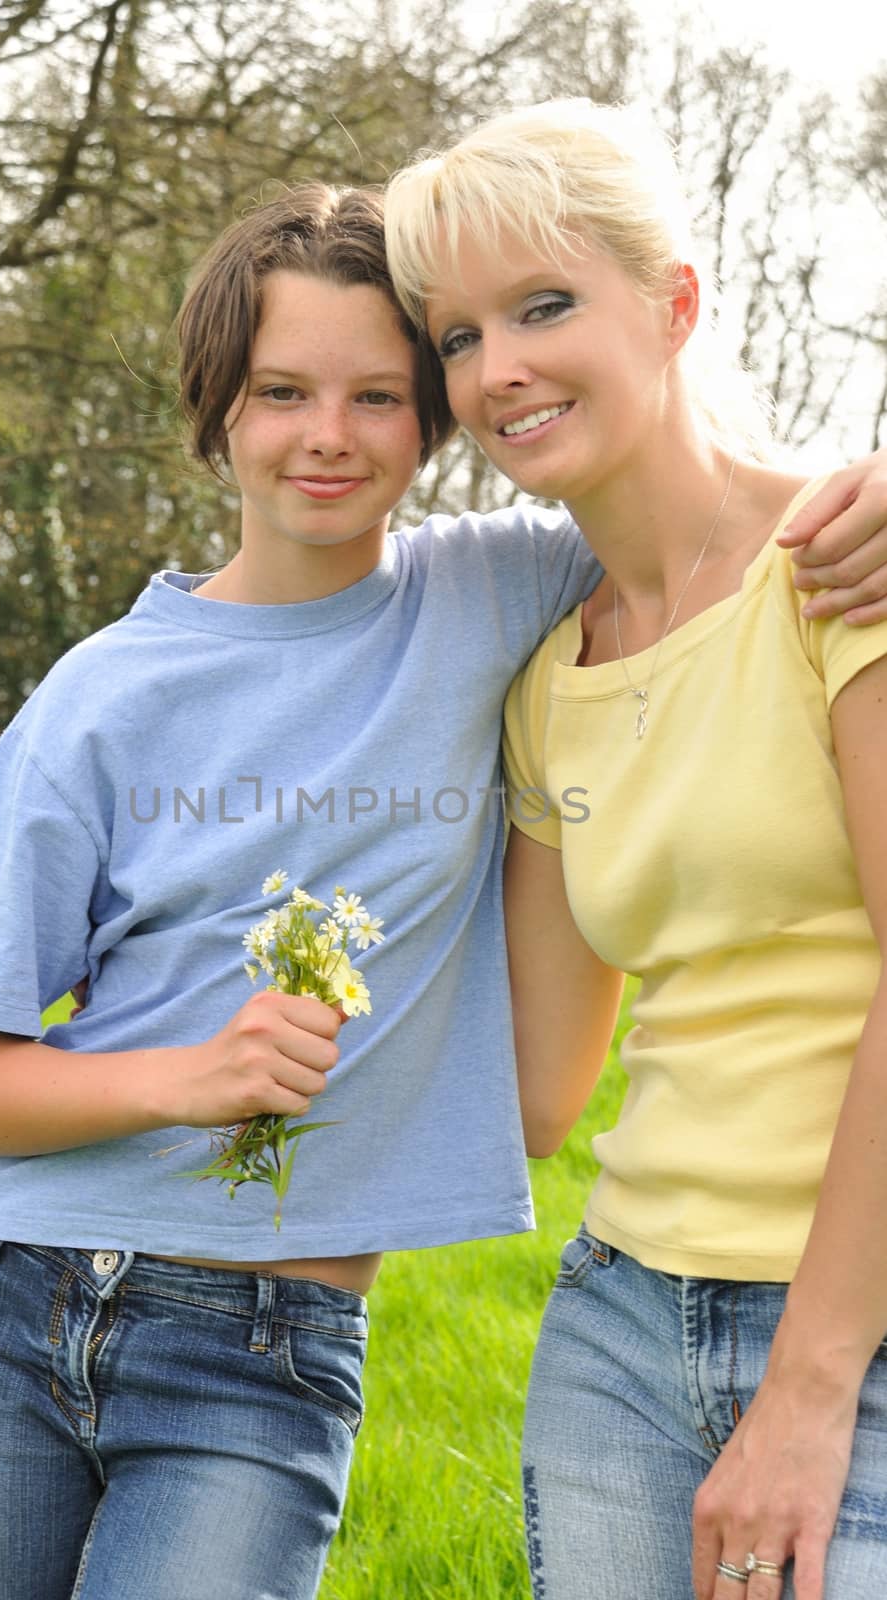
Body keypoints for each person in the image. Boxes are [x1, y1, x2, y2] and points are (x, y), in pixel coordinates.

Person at [0, 179, 887, 1600]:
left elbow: (705, 496)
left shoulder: (496, 592)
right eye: (282, 391)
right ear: (218, 409)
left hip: (268, 1346)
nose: (328, 437)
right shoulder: (100, 694)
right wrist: (187, 1077)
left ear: (435, 425)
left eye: (379, 396)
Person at [384, 99, 887, 1600]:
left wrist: (808, 1386)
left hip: (852, 1331)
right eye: (459, 337)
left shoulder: (843, 572)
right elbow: (537, 1092)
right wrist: (199, 1063)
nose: (500, 370)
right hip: (618, 1323)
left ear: (671, 304)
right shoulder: (552, 682)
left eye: (544, 306)